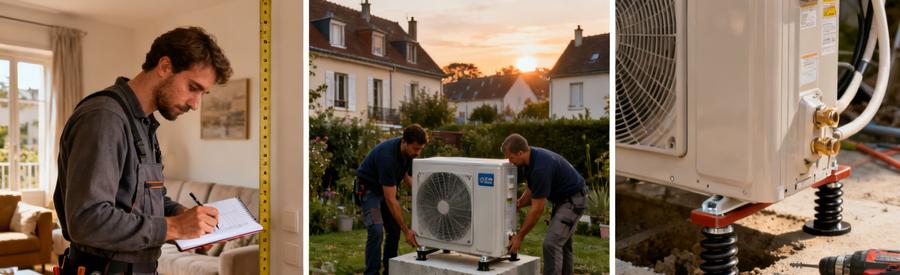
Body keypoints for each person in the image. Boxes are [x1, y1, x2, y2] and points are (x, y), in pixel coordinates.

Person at [54, 26, 233, 275]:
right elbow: (86, 220)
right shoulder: (104, 117)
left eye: (203, 93)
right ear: (165, 67)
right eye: (193, 87)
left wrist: (185, 217)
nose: (196, 104)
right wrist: (174, 227)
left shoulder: (143, 123)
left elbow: (139, 200)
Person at [502, 133, 587, 275]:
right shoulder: (531, 158)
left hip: (573, 201)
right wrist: (519, 204)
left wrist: (519, 237)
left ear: (520, 153)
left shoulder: (540, 168)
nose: (509, 162)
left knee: (552, 244)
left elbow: (537, 209)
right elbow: (532, 188)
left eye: (510, 157)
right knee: (563, 245)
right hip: (564, 200)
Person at [356, 124, 428, 275]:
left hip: (384, 189)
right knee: (376, 229)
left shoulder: (407, 154)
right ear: (404, 142)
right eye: (416, 148)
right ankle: (372, 273)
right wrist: (407, 230)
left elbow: (406, 176)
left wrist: (424, 196)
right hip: (370, 191)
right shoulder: (387, 157)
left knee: (394, 230)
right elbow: (390, 199)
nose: (418, 153)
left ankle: (389, 270)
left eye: (420, 149)